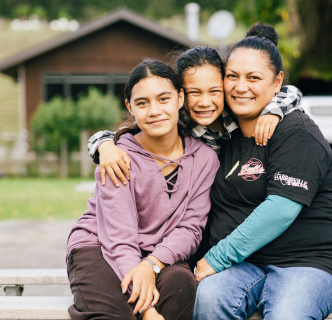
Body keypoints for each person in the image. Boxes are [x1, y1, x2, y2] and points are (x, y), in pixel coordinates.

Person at [192, 23, 332, 320]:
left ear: (277, 82)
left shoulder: (297, 131)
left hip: (314, 262)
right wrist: (106, 144)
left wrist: (217, 257)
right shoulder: (222, 133)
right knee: (208, 300)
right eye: (232, 76)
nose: (240, 86)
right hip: (247, 264)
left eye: (253, 78)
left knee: (286, 313)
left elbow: (280, 209)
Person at [66, 59, 219, 320]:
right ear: (130, 107)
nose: (154, 110)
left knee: (181, 287)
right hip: (100, 246)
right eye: (142, 103)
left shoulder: (205, 159)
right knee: (118, 313)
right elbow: (118, 237)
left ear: (180, 98)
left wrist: (151, 264)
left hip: (159, 253)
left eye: (163, 99)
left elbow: (191, 228)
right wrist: (147, 311)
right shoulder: (117, 157)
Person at [86, 46, 303, 187]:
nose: (205, 102)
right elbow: (113, 135)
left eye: (214, 91)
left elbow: (290, 91)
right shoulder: (176, 124)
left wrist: (273, 111)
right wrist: (105, 147)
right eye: (194, 93)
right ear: (180, 96)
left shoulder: (237, 111)